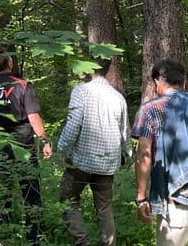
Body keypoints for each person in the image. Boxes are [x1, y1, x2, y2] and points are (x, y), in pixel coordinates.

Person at [0, 46, 52, 243]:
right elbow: (33, 117)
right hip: (22, 143)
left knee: (0, 190)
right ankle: (35, 236)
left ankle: (2, 236)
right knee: (30, 189)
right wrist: (45, 140)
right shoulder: (22, 85)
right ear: (10, 63)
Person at [133, 59, 188, 246]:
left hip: (174, 199)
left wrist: (141, 197)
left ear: (156, 83)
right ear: (183, 82)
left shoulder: (150, 109)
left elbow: (144, 154)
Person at [55, 58, 133, 246]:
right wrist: (128, 155)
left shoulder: (81, 92)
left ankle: (82, 241)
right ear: (107, 69)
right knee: (104, 209)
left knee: (68, 200)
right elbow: (125, 131)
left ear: (89, 68)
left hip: (80, 161)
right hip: (107, 164)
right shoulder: (118, 97)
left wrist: (61, 152)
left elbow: (73, 125)